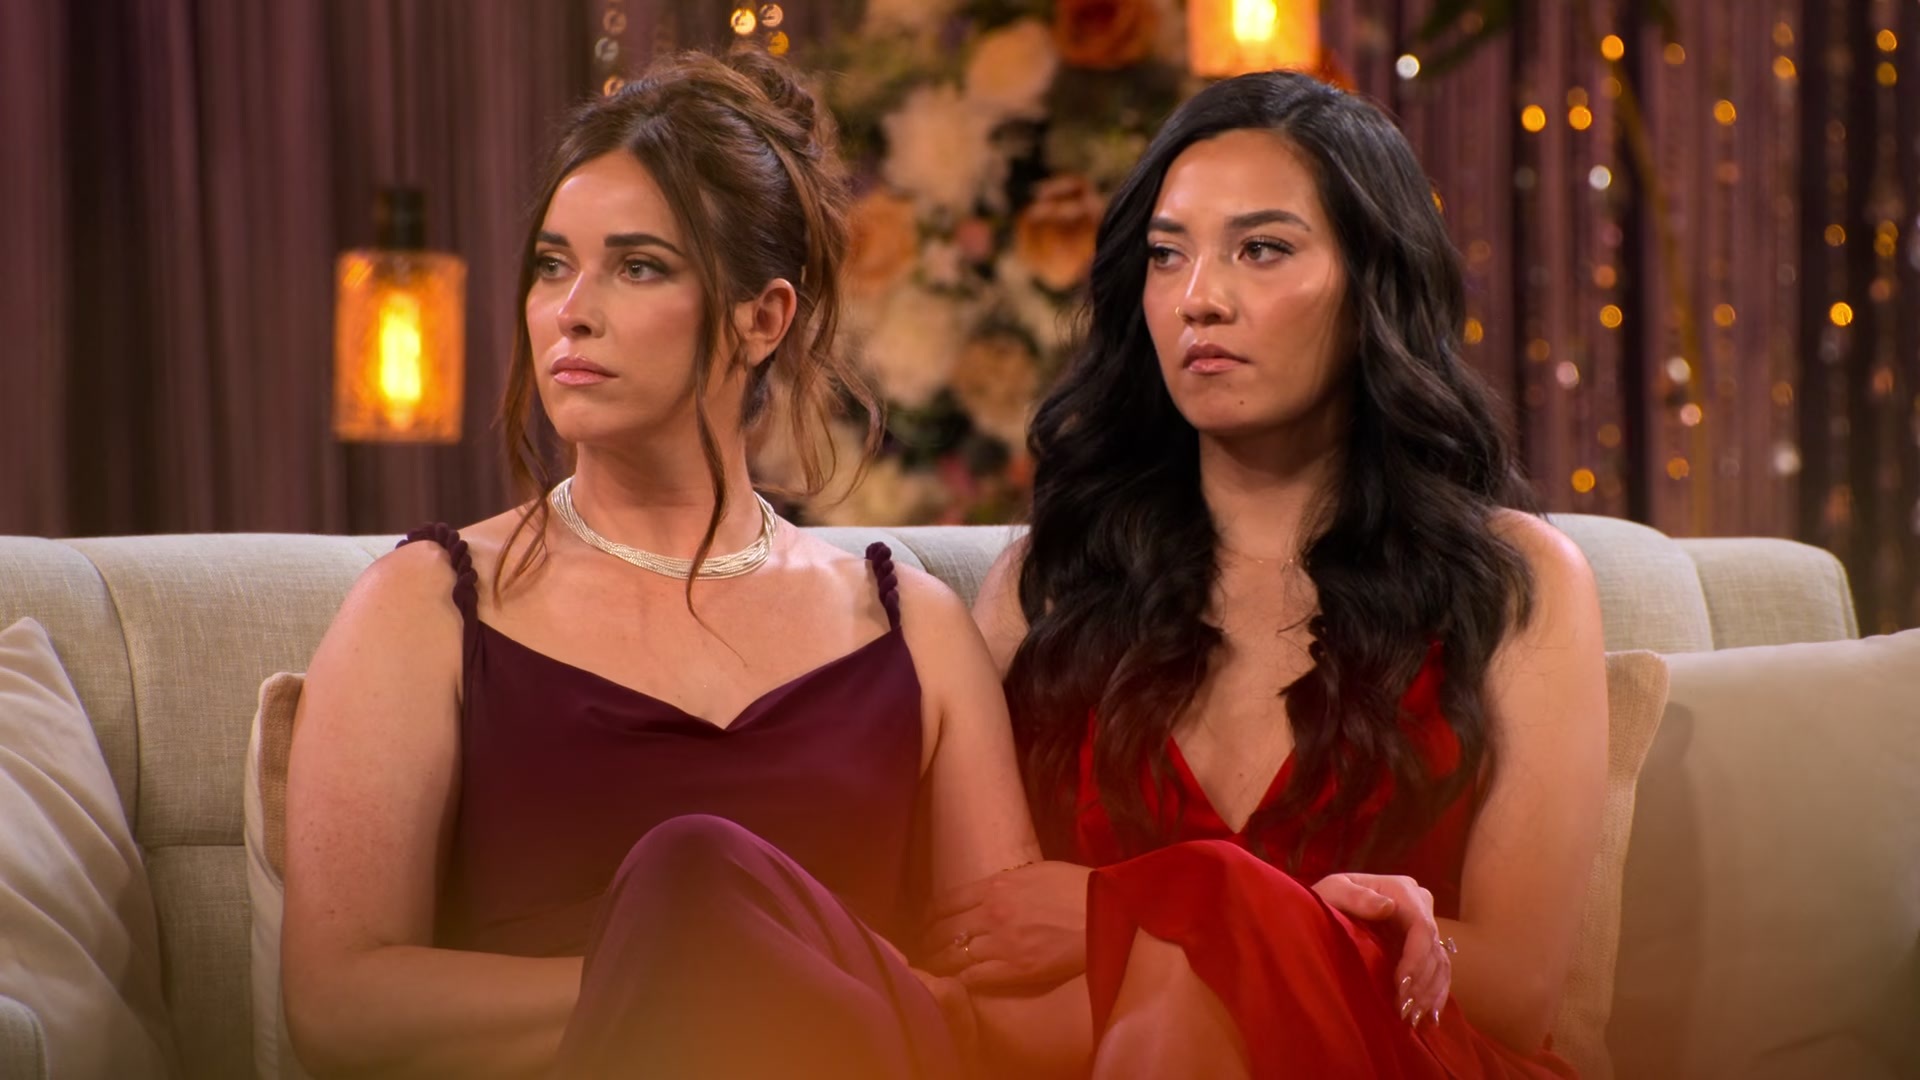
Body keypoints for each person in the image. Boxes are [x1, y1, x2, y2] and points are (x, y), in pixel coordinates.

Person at [280, 49, 1040, 1078]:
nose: (571, 310)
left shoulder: (913, 627)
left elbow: (1004, 997)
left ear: (762, 319)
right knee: (696, 875)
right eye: (554, 265)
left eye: (637, 267)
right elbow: (337, 1004)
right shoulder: (424, 607)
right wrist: (706, 968)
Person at [946, 69, 1608, 1078]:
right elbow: (983, 946)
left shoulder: (1517, 581)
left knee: (1192, 963)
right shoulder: (1053, 582)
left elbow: (1519, 990)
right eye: (1167, 256)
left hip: (1404, 1061)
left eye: (1261, 250)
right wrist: (1202, 934)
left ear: (1373, 280)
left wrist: (1144, 909)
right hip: (1097, 1053)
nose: (1200, 299)